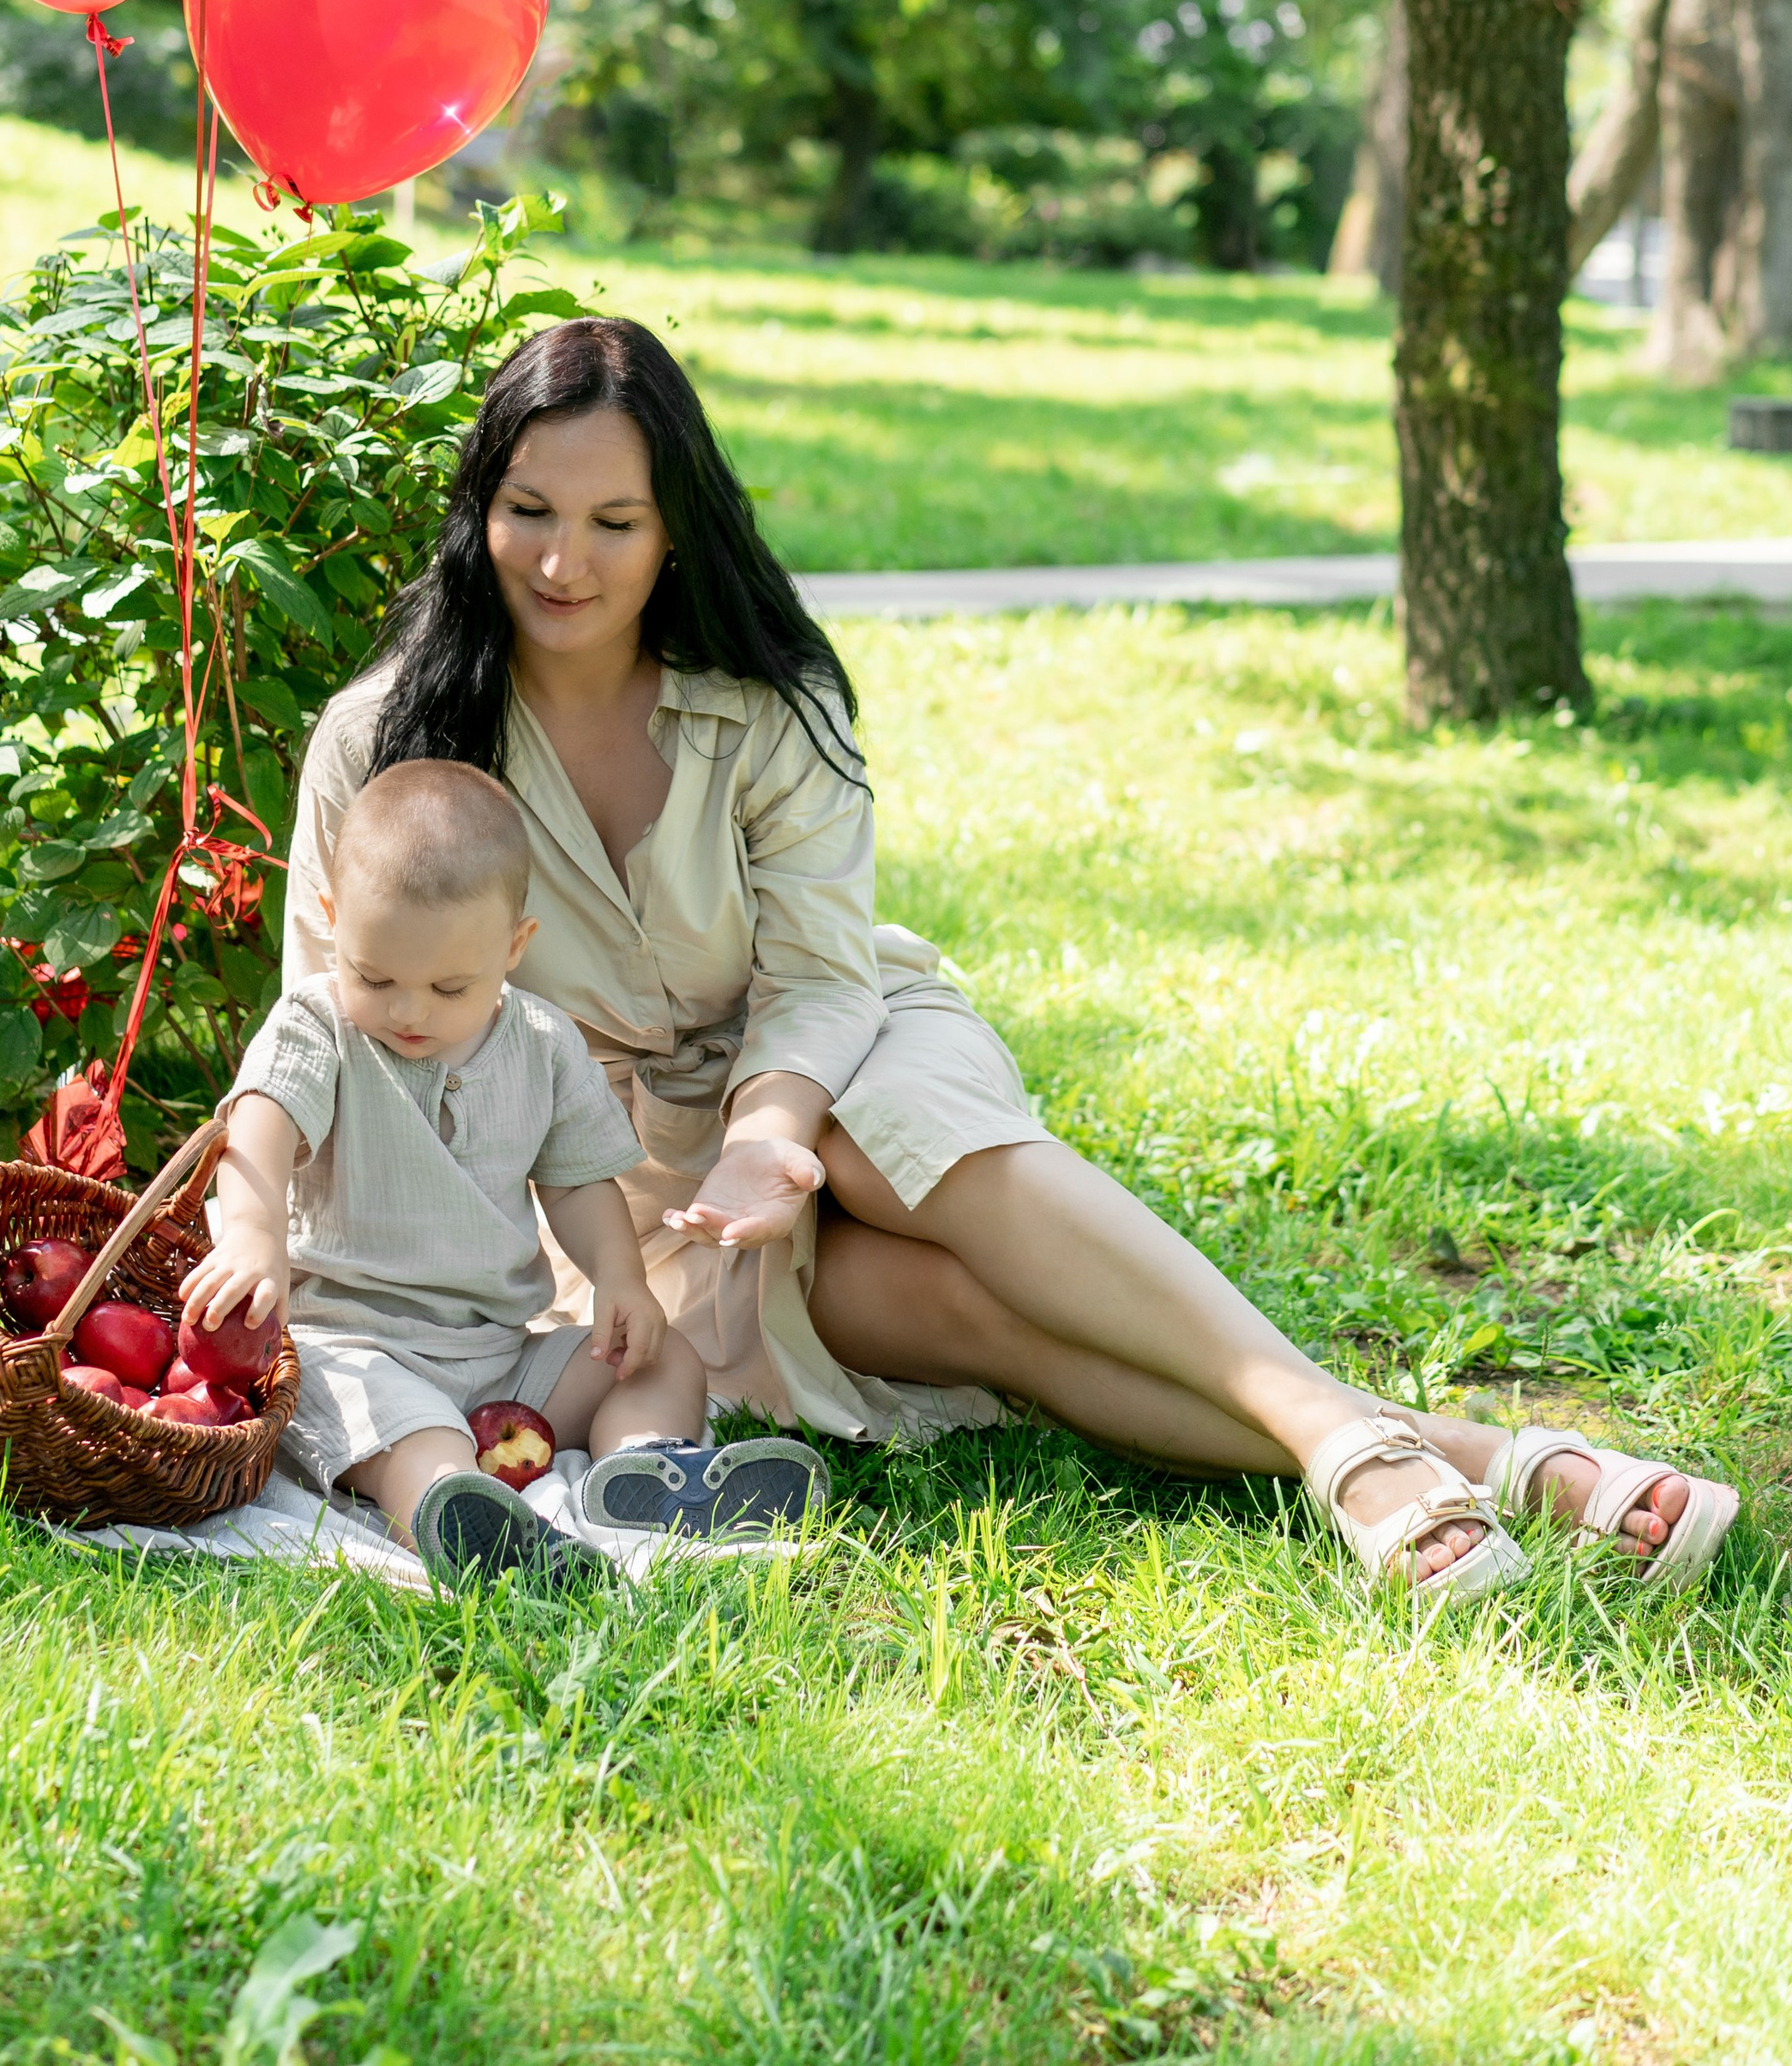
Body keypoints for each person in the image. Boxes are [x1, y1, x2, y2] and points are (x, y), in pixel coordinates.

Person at [273, 316, 1741, 1600]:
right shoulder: (391, 742)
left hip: (846, 1050)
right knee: (981, 1326)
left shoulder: (764, 704)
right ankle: (1512, 1463)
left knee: (869, 1134)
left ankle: (1346, 1445)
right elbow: (325, 1020)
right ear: (481, 510)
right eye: (530, 509)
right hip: (645, 1186)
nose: (564, 559)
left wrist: (773, 1133)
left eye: (615, 522)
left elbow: (825, 980)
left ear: (676, 531)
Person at [183, 752, 829, 1583]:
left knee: (664, 1357)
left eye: (451, 987)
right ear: (332, 919)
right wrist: (253, 1233)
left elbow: (575, 1181)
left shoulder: (542, 1044)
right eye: (374, 976)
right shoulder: (318, 1024)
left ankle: (646, 1472)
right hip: (355, 1345)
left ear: (514, 946)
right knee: (400, 1432)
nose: (409, 1011)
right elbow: (259, 1126)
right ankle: (457, 1519)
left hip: (498, 1353)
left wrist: (619, 1280)